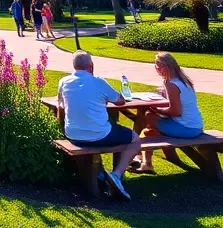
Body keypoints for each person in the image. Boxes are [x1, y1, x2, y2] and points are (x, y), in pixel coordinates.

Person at [56, 52, 142, 201]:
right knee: (135, 139)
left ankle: (101, 173)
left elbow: (61, 105)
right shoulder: (98, 82)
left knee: (112, 131)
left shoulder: (64, 81)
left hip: (73, 135)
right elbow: (120, 101)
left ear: (74, 66)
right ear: (91, 66)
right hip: (99, 135)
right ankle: (116, 175)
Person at [133, 52, 204, 173]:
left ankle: (142, 160)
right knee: (149, 127)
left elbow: (176, 112)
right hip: (196, 126)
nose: (156, 69)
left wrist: (158, 110)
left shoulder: (170, 83)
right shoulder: (183, 80)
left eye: (157, 66)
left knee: (148, 122)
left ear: (165, 67)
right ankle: (147, 162)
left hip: (186, 128)